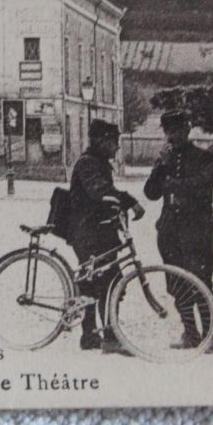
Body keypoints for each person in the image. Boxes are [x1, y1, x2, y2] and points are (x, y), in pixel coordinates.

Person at [144, 109, 213, 351]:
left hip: (196, 229)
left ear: (187, 130)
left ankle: (209, 337)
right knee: (176, 284)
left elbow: (201, 185)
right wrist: (160, 168)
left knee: (201, 281)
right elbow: (151, 193)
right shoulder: (165, 160)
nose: (172, 136)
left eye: (177, 131)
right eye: (168, 132)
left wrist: (173, 184)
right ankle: (190, 333)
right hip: (169, 230)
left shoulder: (204, 158)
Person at [69, 118, 144, 352]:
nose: (117, 147)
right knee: (106, 282)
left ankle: (92, 336)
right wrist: (128, 201)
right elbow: (98, 190)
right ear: (102, 141)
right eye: (114, 141)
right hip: (89, 232)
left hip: (99, 229)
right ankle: (106, 337)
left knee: (100, 282)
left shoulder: (96, 162)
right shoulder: (87, 164)